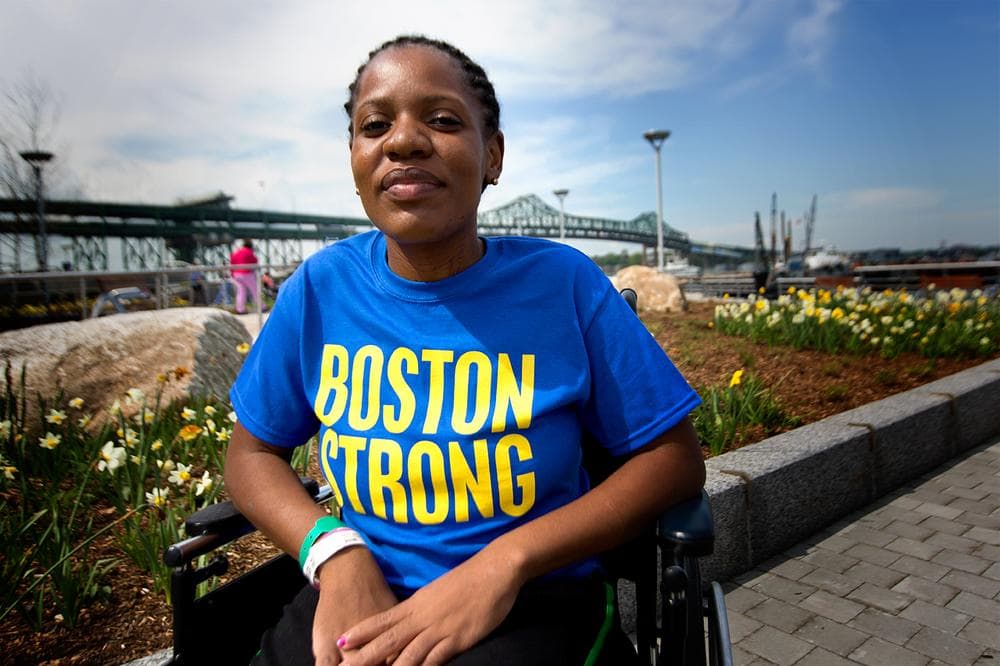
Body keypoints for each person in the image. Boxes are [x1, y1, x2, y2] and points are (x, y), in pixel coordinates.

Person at [225, 35, 705, 666]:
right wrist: (333, 551)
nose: (403, 141)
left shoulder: (563, 284)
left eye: (443, 120)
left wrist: (506, 562)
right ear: (354, 157)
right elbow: (251, 453)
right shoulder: (319, 289)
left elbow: (673, 460)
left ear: (493, 156)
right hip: (360, 592)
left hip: (534, 600)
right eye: (374, 125)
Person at [230, 238, 261, 314]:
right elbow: (255, 261)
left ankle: (240, 309)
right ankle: (262, 307)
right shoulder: (249, 252)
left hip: (236, 274)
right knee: (255, 290)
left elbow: (232, 263)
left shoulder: (237, 252)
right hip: (246, 273)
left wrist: (232, 274)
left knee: (241, 292)